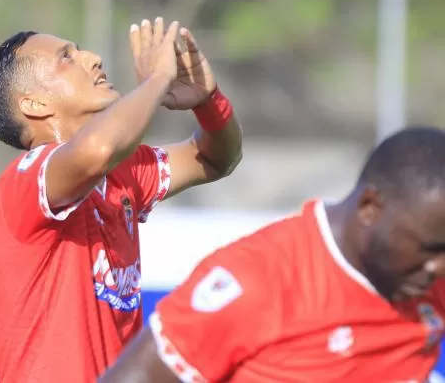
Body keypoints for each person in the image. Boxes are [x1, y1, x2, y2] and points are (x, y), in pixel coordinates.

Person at [0, 17, 242, 382]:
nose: (93, 58)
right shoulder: (26, 179)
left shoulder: (122, 173)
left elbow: (214, 158)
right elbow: (97, 150)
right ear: (34, 104)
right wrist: (156, 80)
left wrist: (209, 101)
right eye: (67, 57)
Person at [99, 126, 445, 383]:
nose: (438, 266)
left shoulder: (427, 283)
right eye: (431, 248)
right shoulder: (256, 279)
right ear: (370, 207)